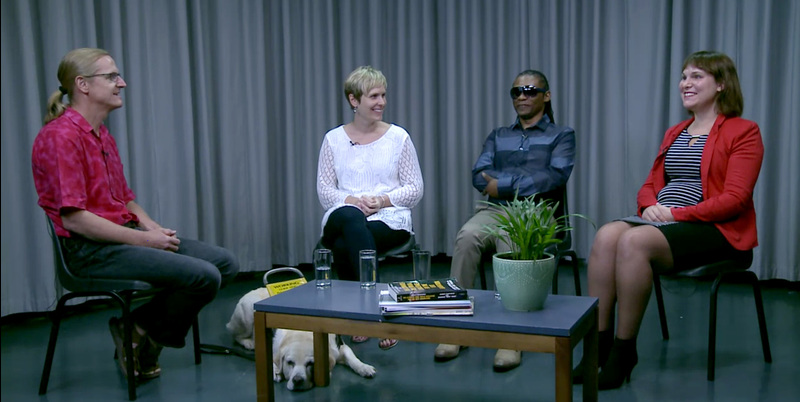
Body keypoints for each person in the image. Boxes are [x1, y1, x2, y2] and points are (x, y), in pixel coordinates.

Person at [31, 48, 240, 380]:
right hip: (88, 252)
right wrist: (146, 241)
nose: (122, 83)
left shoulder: (102, 136)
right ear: (82, 85)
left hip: (122, 238)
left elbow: (124, 200)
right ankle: (142, 333)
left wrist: (153, 228)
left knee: (224, 263)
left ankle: (137, 328)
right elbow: (75, 218)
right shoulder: (60, 137)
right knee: (204, 277)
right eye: (112, 77)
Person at [575, 50, 763, 390]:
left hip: (714, 229)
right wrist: (649, 207)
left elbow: (735, 199)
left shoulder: (743, 131)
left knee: (633, 241)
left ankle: (623, 352)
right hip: (663, 220)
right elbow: (651, 183)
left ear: (721, 84)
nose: (686, 83)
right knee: (605, 236)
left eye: (697, 76)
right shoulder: (676, 131)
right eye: (684, 76)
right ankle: (597, 347)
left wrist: (676, 213)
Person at [434, 70, 576, 371]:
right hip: (495, 210)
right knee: (466, 237)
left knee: (511, 241)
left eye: (530, 91)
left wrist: (504, 185)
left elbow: (553, 177)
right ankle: (454, 330)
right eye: (516, 92)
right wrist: (511, 183)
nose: (522, 96)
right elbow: (478, 173)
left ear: (546, 96)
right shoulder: (499, 135)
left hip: (537, 213)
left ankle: (512, 336)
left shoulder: (562, 135)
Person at [316, 66, 424, 350]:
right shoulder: (333, 139)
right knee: (350, 218)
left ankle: (358, 317)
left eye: (383, 95)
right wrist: (351, 201)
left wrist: (382, 201)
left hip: (389, 218)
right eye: (373, 96)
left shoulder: (398, 137)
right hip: (343, 213)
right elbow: (325, 191)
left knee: (342, 245)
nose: (382, 103)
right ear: (354, 100)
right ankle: (378, 314)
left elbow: (415, 189)